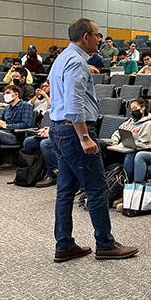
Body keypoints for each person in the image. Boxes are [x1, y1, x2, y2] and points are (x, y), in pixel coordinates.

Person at [47, 18, 138, 262]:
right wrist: (85, 136)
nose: (100, 39)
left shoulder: (62, 59)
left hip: (59, 130)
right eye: (97, 35)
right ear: (86, 36)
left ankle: (64, 244)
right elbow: (74, 102)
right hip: (75, 132)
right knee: (98, 188)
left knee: (65, 191)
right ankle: (105, 244)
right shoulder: (77, 63)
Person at [109, 98, 151, 183]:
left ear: (143, 108)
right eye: (131, 109)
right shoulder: (129, 122)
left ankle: (125, 183)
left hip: (136, 151)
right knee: (104, 149)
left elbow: (144, 143)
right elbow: (117, 132)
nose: (133, 111)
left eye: (135, 108)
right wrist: (115, 142)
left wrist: (128, 145)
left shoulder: (148, 124)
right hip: (123, 149)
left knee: (130, 154)